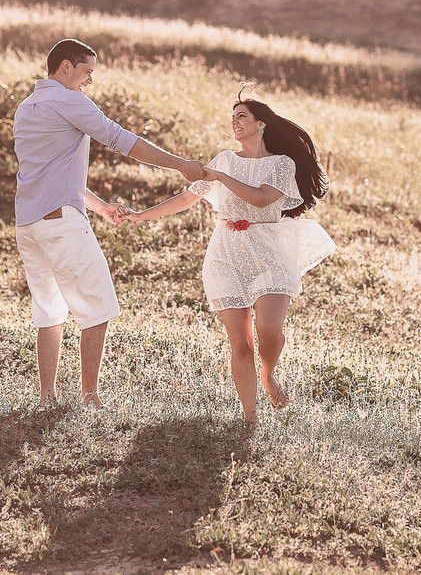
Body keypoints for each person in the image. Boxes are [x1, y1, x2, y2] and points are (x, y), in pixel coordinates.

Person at [118, 95, 336, 424]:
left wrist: (221, 178)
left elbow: (262, 199)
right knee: (241, 343)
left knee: (269, 331)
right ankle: (251, 419)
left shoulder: (281, 164)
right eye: (233, 117)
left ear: (261, 123)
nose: (235, 121)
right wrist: (139, 216)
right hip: (225, 253)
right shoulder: (223, 159)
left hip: (267, 250)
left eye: (242, 116)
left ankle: (268, 374)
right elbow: (187, 198)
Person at [14, 38, 208, 408]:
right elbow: (123, 141)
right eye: (87, 71)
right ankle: (90, 398)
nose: (89, 81)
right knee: (98, 307)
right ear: (66, 67)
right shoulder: (70, 101)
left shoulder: (27, 106)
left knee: (49, 310)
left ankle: (47, 397)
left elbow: (48, 172)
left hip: (29, 225)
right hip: (61, 223)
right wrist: (181, 164)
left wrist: (100, 206)